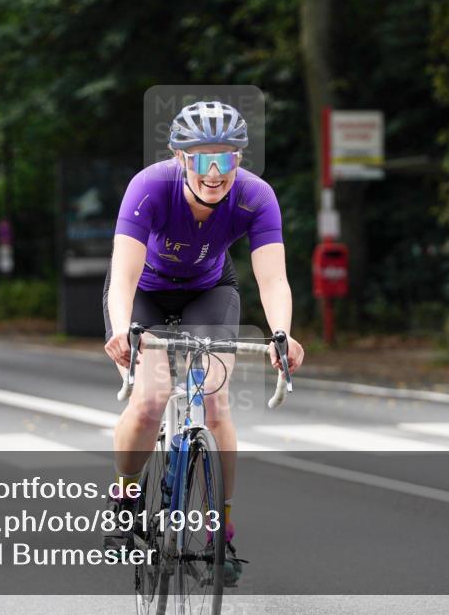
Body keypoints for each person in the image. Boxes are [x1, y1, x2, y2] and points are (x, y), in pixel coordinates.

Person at [102, 101, 305, 585]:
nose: (214, 172)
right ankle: (126, 497)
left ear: (240, 159)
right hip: (144, 295)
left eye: (227, 158)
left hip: (209, 292)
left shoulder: (257, 197)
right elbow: (124, 276)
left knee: (214, 403)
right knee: (150, 400)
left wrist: (282, 333)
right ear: (179, 157)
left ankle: (221, 532)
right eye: (201, 158)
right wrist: (120, 328)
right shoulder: (149, 188)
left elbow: (274, 280)